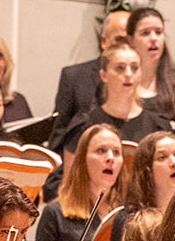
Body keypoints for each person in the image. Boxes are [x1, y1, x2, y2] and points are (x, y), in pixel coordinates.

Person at [35, 123, 124, 241]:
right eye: (101, 151)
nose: (110, 158)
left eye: (116, 152)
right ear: (82, 159)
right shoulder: (55, 213)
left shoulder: (128, 212)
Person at [51, 11, 129, 143]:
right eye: (119, 40)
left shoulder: (148, 80)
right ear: (104, 41)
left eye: (130, 41)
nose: (125, 47)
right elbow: (59, 138)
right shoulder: (74, 77)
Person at [124, 7, 175, 126]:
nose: (154, 38)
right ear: (131, 40)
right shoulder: (121, 84)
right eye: (145, 33)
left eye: (158, 32)